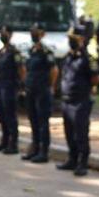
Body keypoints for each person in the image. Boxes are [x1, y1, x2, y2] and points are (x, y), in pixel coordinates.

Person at [56, 23, 99, 176]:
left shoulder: (88, 59)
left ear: (81, 39)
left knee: (80, 133)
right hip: (67, 99)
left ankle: (82, 162)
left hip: (80, 101)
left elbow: (95, 78)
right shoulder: (68, 56)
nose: (71, 41)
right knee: (69, 132)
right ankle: (72, 159)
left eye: (73, 38)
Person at [22, 22, 57, 163]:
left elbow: (54, 71)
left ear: (43, 33)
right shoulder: (31, 50)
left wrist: (50, 86)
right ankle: (35, 148)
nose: (33, 33)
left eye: (36, 31)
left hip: (42, 90)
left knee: (42, 122)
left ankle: (44, 151)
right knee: (33, 120)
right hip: (31, 90)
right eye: (32, 30)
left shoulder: (46, 52)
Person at [0, 24, 24, 154]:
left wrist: (20, 86)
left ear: (10, 35)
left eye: (4, 33)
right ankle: (4, 141)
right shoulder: (0, 52)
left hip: (9, 86)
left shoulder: (14, 52)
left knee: (10, 115)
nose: (2, 35)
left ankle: (13, 143)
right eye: (1, 32)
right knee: (1, 114)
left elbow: (21, 70)